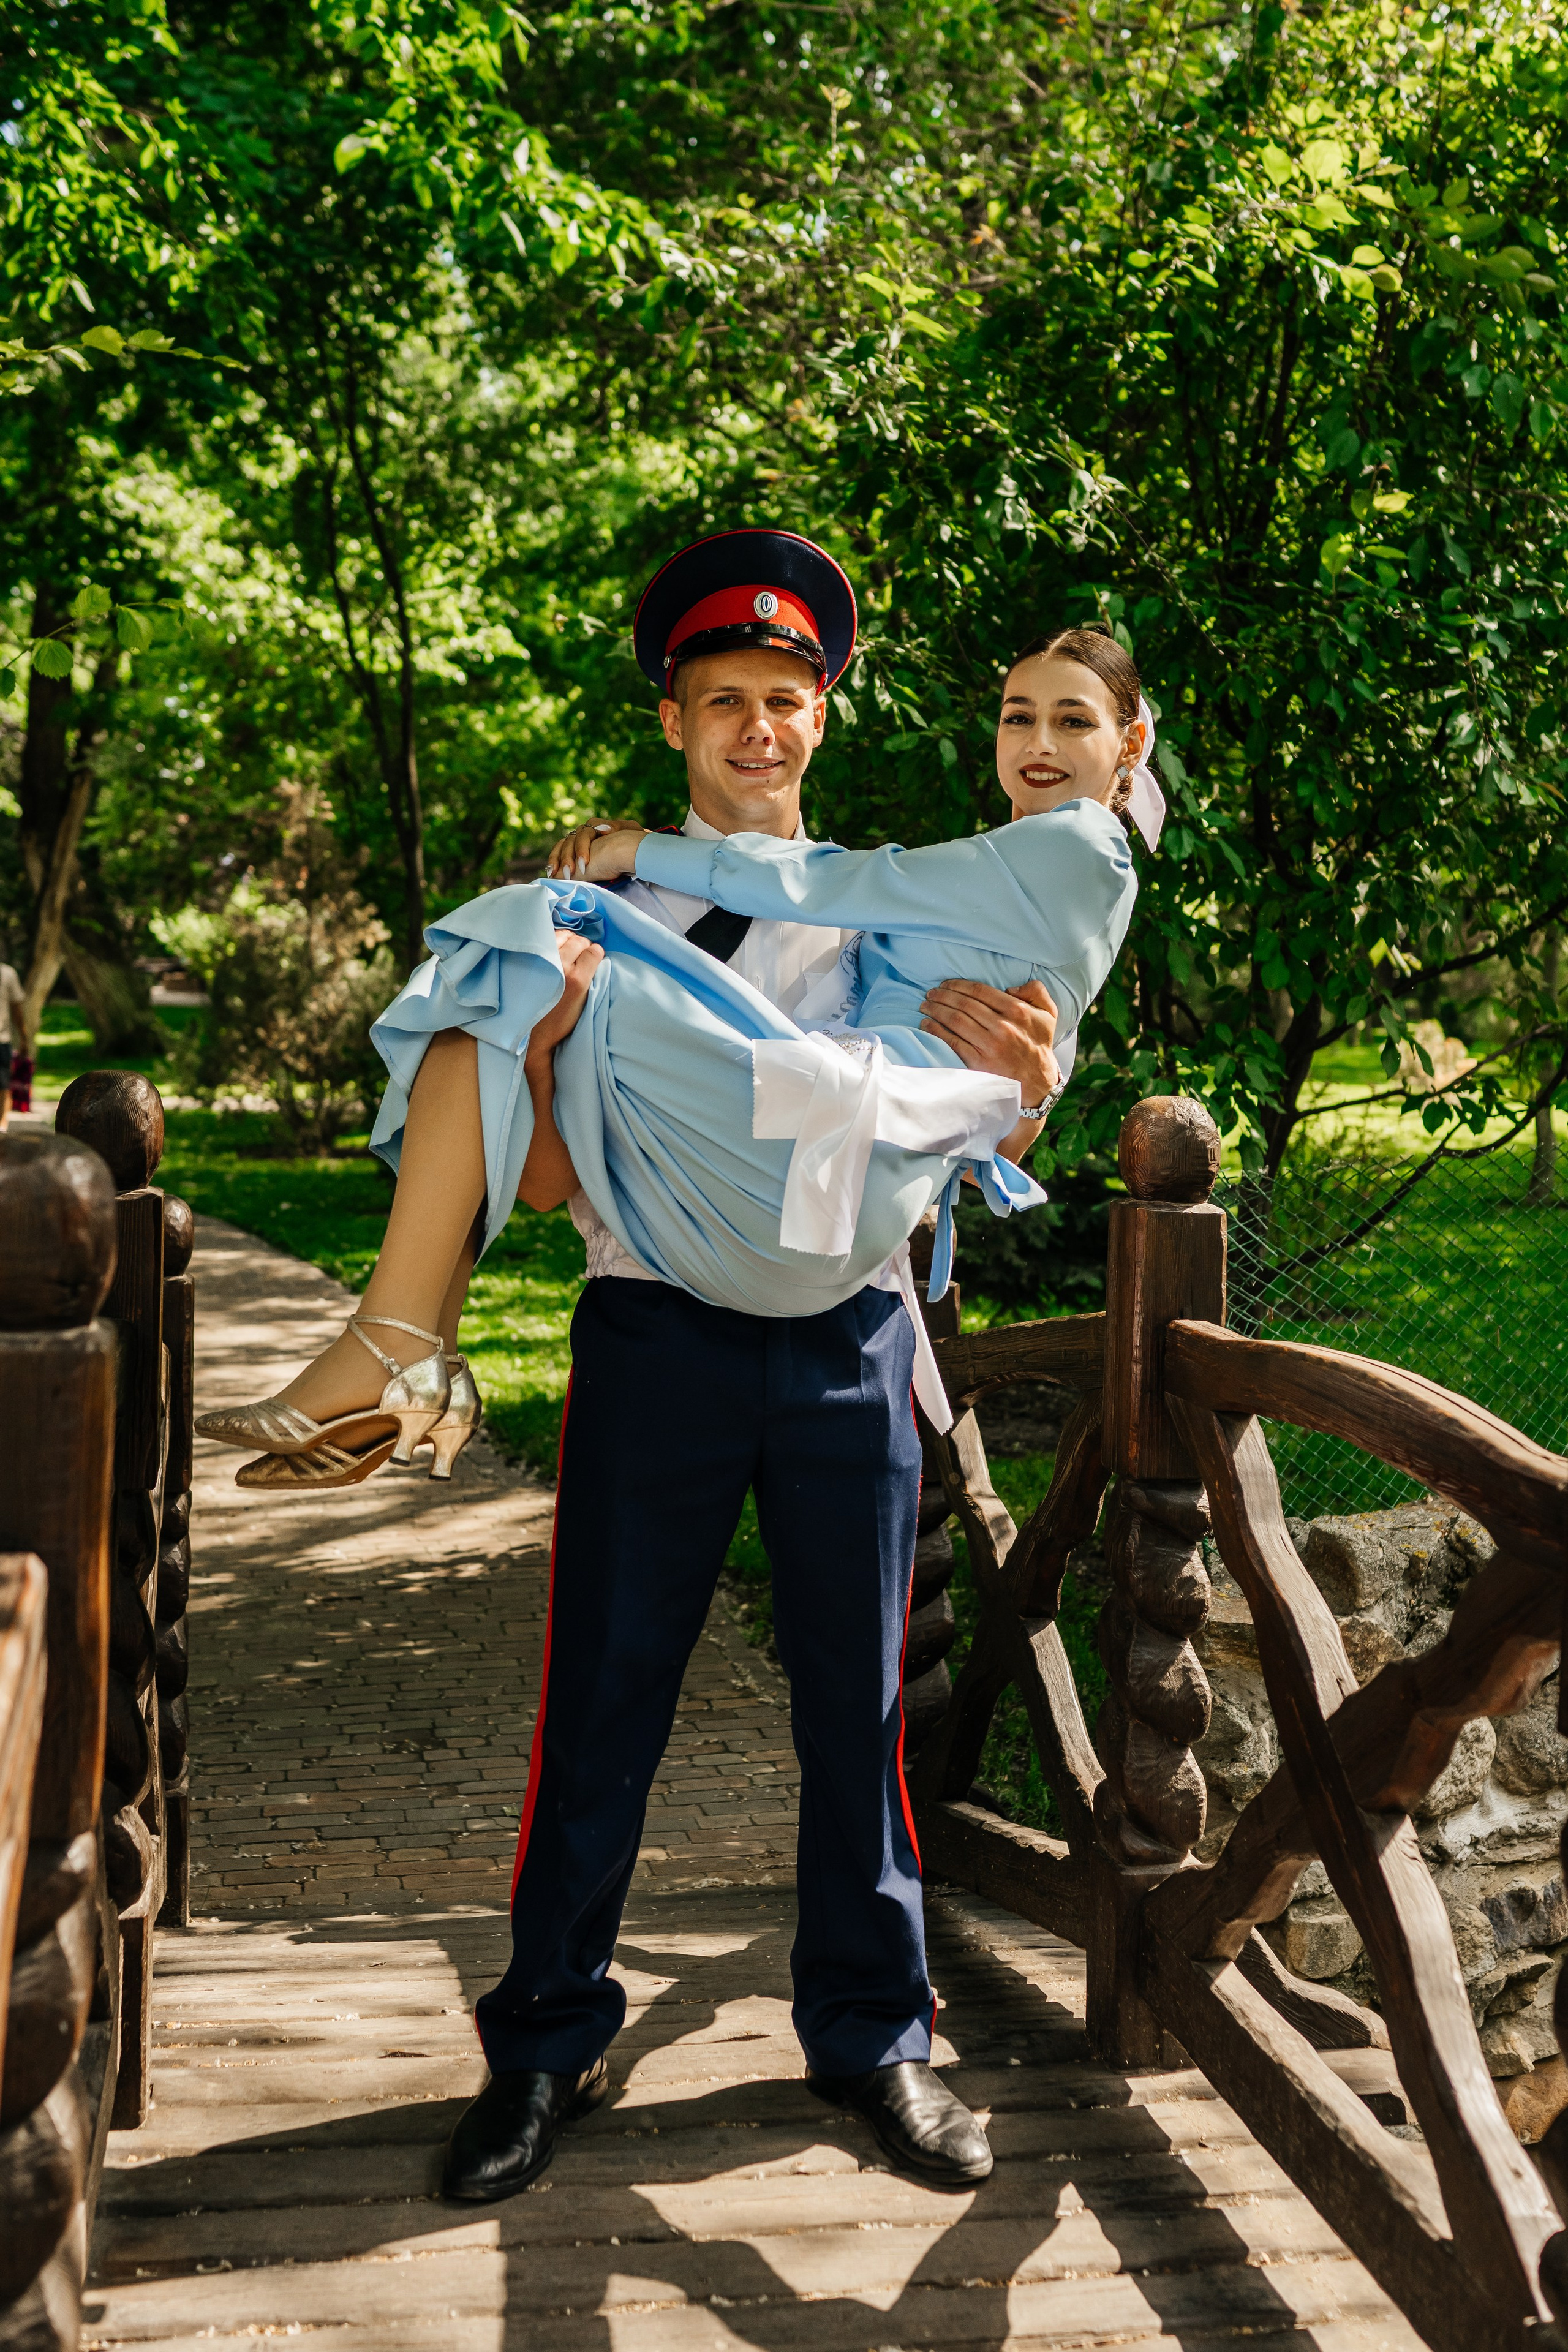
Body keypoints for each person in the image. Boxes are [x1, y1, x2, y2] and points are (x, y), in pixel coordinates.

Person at [198, 530, 1157, 2196]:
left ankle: (875, 2038)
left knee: (861, 1717)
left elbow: (1002, 1083)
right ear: (675, 723)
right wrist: (553, 1043)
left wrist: (1034, 1065)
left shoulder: (887, 902)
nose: (760, 731)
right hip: (656, 1340)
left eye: (787, 701)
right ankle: (546, 2047)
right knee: (605, 1710)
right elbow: (557, 1185)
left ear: (822, 719)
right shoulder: (601, 912)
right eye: (727, 702)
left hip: (851, 1344)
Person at [0, 959, 28, 1136]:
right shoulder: (7, 973)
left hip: (2, 1040)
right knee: (3, 1086)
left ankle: (2, 1128)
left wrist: (24, 1037)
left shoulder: (7, 974)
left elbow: (17, 1009)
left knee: (3, 1085)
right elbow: (17, 1009)